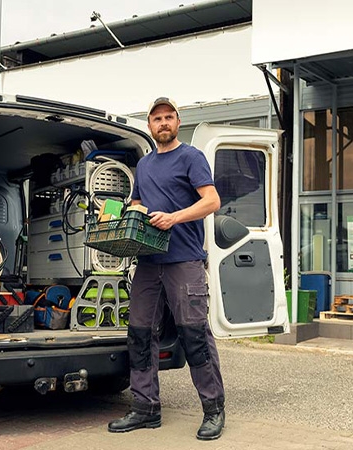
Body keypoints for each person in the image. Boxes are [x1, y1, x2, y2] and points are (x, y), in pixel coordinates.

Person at [107, 97, 225, 440]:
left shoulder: (191, 157)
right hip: (148, 261)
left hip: (183, 259)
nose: (163, 122)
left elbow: (212, 201)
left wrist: (174, 217)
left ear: (177, 121)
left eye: (168, 117)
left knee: (194, 336)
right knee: (140, 333)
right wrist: (120, 214)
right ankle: (145, 408)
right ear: (149, 125)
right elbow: (139, 203)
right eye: (157, 118)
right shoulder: (143, 166)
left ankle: (214, 410)